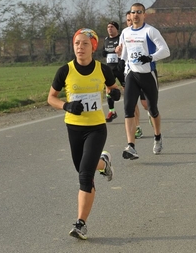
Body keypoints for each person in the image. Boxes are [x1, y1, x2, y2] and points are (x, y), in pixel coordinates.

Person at [47, 28, 120, 240]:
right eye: (77, 43)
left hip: (96, 127)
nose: (80, 47)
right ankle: (103, 163)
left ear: (93, 47)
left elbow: (112, 89)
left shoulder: (102, 69)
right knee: (82, 168)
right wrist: (66, 106)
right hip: (74, 128)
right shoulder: (65, 71)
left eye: (85, 44)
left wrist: (114, 92)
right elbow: (51, 98)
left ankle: (81, 224)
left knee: (85, 176)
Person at [119, 3, 170, 159]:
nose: (135, 15)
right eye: (133, 12)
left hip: (148, 75)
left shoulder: (150, 31)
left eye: (139, 12)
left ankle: (157, 136)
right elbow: (125, 55)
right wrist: (124, 69)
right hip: (132, 75)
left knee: (152, 109)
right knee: (128, 108)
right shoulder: (125, 32)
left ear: (144, 15)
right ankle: (131, 146)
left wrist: (150, 57)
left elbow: (165, 51)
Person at [117, 10, 151, 139]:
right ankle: (137, 127)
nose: (130, 22)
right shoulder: (125, 33)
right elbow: (121, 50)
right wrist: (118, 51)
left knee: (145, 104)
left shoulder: (144, 33)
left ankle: (151, 113)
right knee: (131, 103)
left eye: (131, 19)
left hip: (143, 71)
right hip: (129, 72)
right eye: (128, 20)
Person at [102, 21, 125, 122]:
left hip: (120, 68)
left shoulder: (121, 38)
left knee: (126, 89)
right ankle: (112, 111)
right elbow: (104, 52)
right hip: (110, 69)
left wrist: (121, 61)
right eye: (108, 27)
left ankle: (131, 109)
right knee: (108, 90)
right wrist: (104, 52)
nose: (109, 28)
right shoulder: (106, 40)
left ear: (116, 29)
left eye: (112, 27)